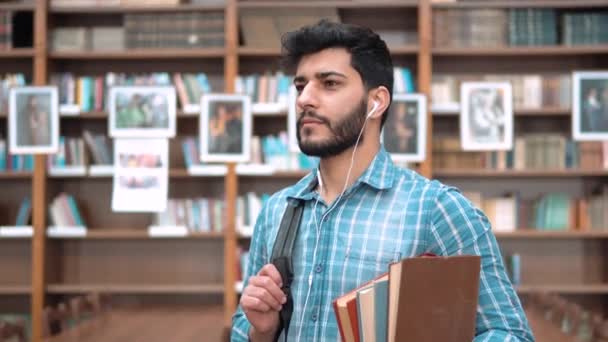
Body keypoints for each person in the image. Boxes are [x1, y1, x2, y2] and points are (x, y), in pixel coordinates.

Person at [232, 20, 533, 342]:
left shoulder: (436, 209)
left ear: (376, 102)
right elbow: (242, 330)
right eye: (300, 86)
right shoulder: (277, 211)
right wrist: (261, 331)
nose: (305, 98)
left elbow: (509, 334)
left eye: (329, 83)